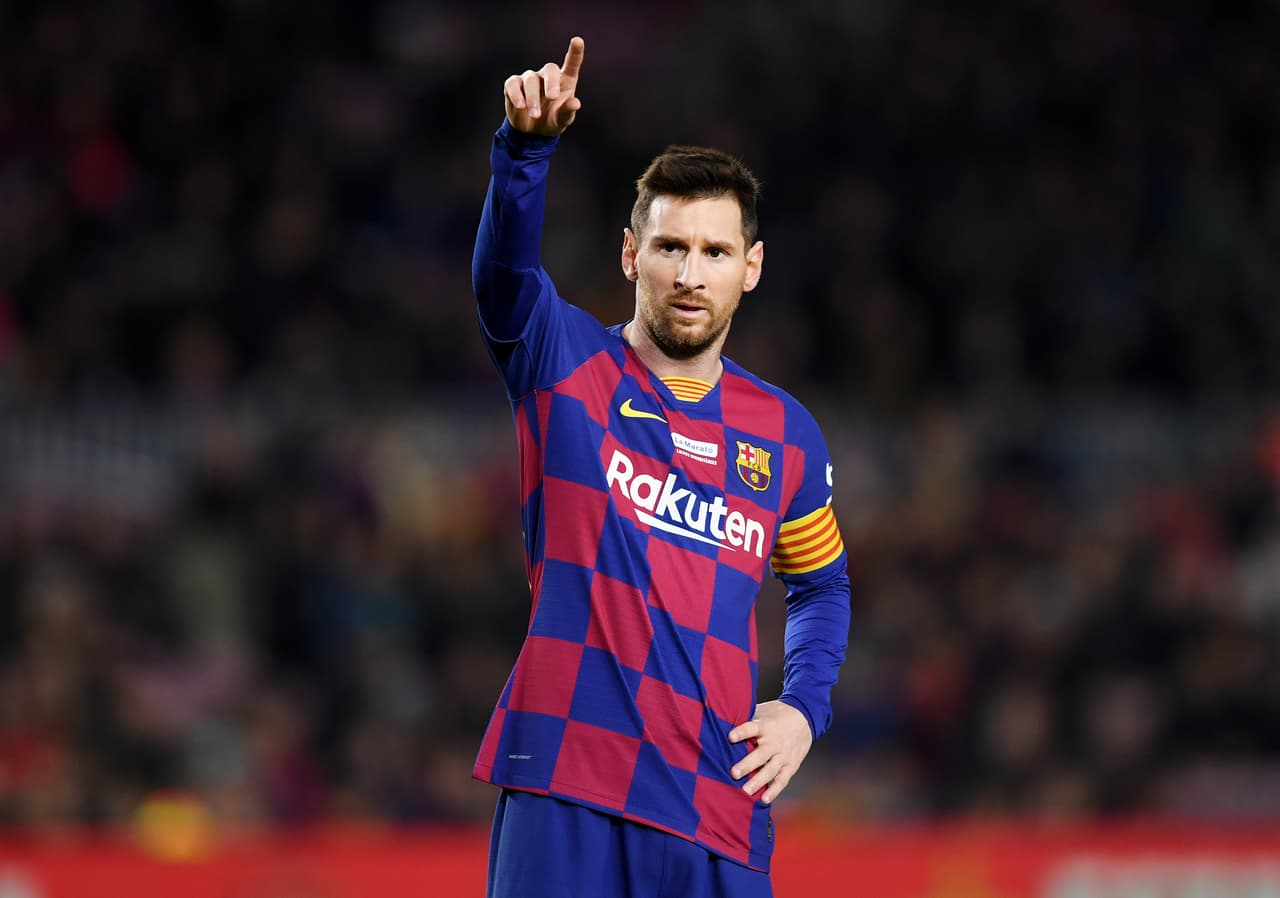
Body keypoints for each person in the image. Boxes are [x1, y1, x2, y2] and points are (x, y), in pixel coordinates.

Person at [470, 36, 851, 898]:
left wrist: (802, 708)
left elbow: (823, 586)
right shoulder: (563, 364)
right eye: (671, 246)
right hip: (566, 778)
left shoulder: (785, 434)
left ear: (750, 269)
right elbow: (502, 277)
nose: (691, 274)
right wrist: (525, 152)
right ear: (630, 255)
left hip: (716, 803)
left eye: (716, 252)